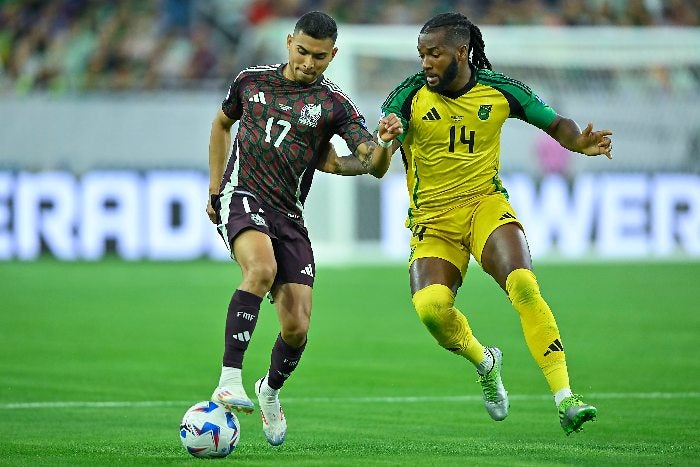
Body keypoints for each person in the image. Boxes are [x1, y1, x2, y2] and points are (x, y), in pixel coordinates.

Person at [372, 12, 612, 435]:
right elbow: (383, 150)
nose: (425, 62)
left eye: (434, 53)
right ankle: (485, 361)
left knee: (522, 284)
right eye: (421, 54)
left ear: (462, 53)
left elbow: (555, 122)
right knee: (431, 311)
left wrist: (578, 142)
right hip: (433, 222)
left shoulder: (500, 90)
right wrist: (386, 139)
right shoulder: (407, 96)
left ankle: (565, 397)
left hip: (485, 205)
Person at [205, 11, 402, 447]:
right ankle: (229, 378)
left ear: (333, 55)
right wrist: (216, 186)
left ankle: (269, 392)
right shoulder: (250, 81)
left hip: (289, 215)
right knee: (260, 270)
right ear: (289, 42)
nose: (309, 63)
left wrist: (385, 145)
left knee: (296, 327)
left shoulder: (334, 105)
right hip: (243, 195)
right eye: (302, 51)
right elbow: (222, 124)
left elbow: (370, 164)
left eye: (319, 56)